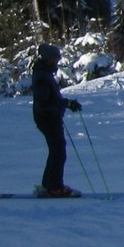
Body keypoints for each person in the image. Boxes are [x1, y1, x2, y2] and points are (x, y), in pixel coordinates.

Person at [31, 43, 81, 197]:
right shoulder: (42, 77)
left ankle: (49, 185)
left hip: (50, 118)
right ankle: (54, 187)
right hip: (47, 119)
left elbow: (51, 100)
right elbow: (45, 103)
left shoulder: (44, 74)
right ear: (48, 59)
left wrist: (66, 104)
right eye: (55, 58)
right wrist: (65, 104)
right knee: (58, 152)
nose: (57, 61)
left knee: (57, 151)